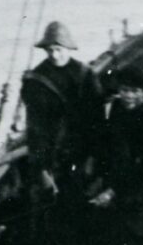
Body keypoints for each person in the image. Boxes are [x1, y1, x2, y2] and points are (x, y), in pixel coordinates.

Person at [20, 20, 101, 183]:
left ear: (68, 48)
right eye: (50, 50)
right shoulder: (36, 79)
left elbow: (97, 119)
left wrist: (94, 157)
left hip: (82, 147)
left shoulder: (85, 75)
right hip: (53, 151)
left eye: (59, 49)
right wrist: (42, 168)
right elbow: (35, 127)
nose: (54, 55)